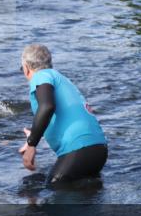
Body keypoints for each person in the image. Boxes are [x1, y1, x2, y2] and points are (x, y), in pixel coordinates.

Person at [19, 44, 107, 185]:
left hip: (79, 150)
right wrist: (34, 135)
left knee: (52, 192)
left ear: (26, 68)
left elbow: (47, 106)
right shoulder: (61, 79)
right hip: (98, 150)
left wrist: (31, 145)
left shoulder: (41, 76)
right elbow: (54, 114)